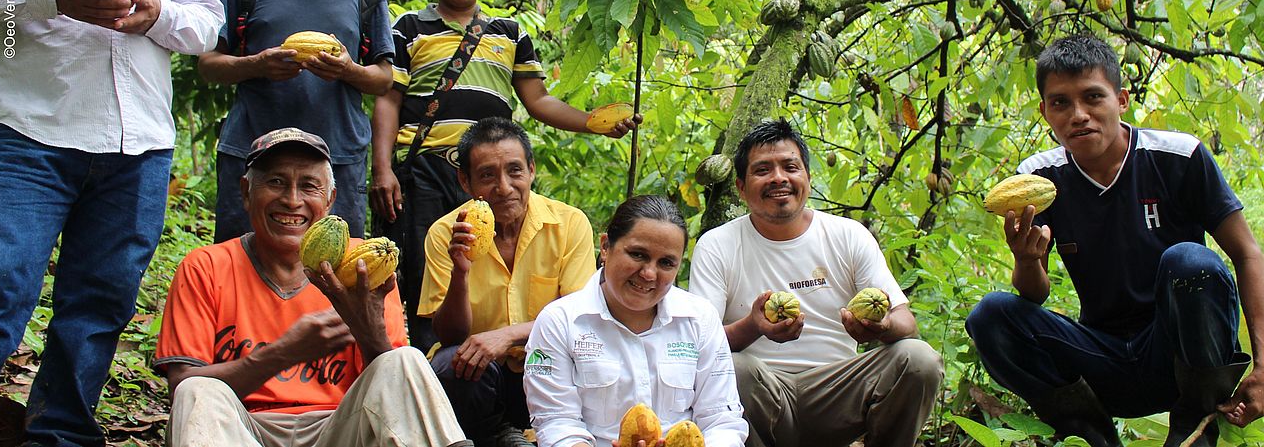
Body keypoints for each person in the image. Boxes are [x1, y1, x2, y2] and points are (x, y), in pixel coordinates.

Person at [0, 0, 223, 445]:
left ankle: (57, 434)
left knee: (97, 307)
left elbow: (205, 22)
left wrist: (155, 15)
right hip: (31, 132)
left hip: (137, 146)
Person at [966, 34, 1262, 447]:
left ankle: (1196, 428)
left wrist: (1263, 368)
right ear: (1044, 112)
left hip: (1178, 354)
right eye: (1061, 103)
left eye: (1093, 97)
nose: (1079, 115)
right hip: (1101, 357)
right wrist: (1027, 260)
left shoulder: (1178, 157)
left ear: (1121, 99)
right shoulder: (1038, 179)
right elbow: (1033, 296)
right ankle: (1091, 438)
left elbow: (1248, 254)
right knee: (991, 316)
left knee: (1191, 263)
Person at [369, 0, 639, 349]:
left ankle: (501, 356)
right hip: (424, 168)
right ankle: (430, 368)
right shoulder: (409, 27)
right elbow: (388, 100)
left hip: (489, 176)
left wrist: (592, 121)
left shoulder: (509, 32)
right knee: (425, 270)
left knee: (492, 263)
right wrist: (382, 169)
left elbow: (538, 100)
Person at [154, 127, 471, 447]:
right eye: (276, 182)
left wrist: (367, 328)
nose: (292, 200)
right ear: (247, 193)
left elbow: (390, 387)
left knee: (404, 361)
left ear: (330, 199)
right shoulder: (206, 267)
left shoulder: (363, 265)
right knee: (198, 390)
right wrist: (282, 354)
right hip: (242, 430)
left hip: (340, 429)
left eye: (309, 186)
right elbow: (181, 385)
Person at [688, 119, 943, 447]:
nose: (779, 178)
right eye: (763, 170)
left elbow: (906, 323)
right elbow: (699, 347)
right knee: (735, 368)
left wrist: (880, 326)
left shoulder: (847, 235)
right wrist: (754, 325)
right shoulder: (717, 244)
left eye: (790, 167)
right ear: (740, 187)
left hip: (838, 392)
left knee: (918, 359)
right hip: (760, 397)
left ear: (807, 177)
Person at [198, 0, 393, 242]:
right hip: (254, 155)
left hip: (335, 160)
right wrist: (259, 64)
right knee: (242, 268)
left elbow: (383, 79)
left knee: (331, 277)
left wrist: (348, 70)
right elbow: (208, 65)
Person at [420, 117, 597, 447]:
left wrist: (508, 335)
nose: (503, 187)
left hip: (549, 369)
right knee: (450, 364)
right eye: (487, 175)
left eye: (514, 171)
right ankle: (495, 435)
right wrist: (461, 271)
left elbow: (579, 317)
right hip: (485, 377)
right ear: (465, 181)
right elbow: (449, 335)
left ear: (531, 170)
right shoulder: (446, 232)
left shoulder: (569, 224)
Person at [525, 195, 749, 447]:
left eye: (666, 262)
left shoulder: (701, 320)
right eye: (638, 254)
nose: (649, 273)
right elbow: (557, 424)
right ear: (605, 247)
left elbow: (721, 420)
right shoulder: (560, 322)